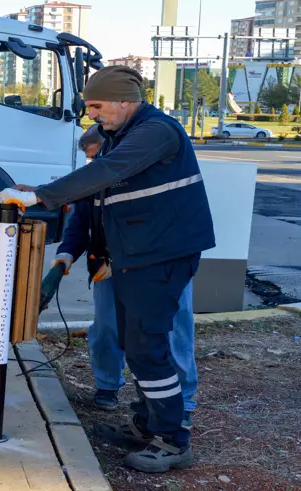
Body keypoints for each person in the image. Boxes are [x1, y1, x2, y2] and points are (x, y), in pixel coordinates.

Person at [0, 65, 215, 473]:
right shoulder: (122, 134)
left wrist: (41, 196)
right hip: (138, 255)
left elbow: (107, 173)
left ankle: (171, 439)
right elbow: (96, 193)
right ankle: (148, 425)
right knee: (136, 345)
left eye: (96, 105)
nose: (91, 114)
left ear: (123, 100)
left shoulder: (156, 131)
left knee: (148, 346)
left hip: (160, 255)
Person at [40, 125, 198, 429]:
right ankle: (108, 385)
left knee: (174, 330)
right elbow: (81, 221)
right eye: (89, 161)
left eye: (97, 157)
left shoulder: (148, 170)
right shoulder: (97, 177)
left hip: (161, 263)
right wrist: (63, 259)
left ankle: (183, 402)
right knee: (107, 327)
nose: (93, 165)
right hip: (109, 264)